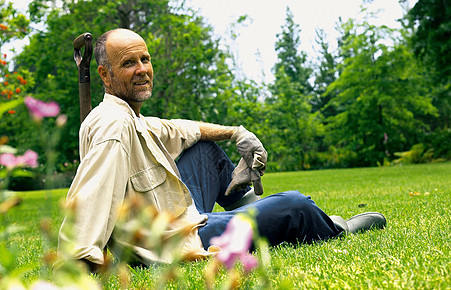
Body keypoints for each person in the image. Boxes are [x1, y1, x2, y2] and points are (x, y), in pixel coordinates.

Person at [57, 28, 386, 270]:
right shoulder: (113, 126)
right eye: (129, 63)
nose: (142, 69)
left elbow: (180, 130)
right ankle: (330, 227)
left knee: (203, 148)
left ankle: (250, 211)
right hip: (173, 244)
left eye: (145, 59)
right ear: (105, 74)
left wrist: (237, 133)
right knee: (296, 204)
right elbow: (91, 195)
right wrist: (80, 259)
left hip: (179, 217)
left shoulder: (128, 115)